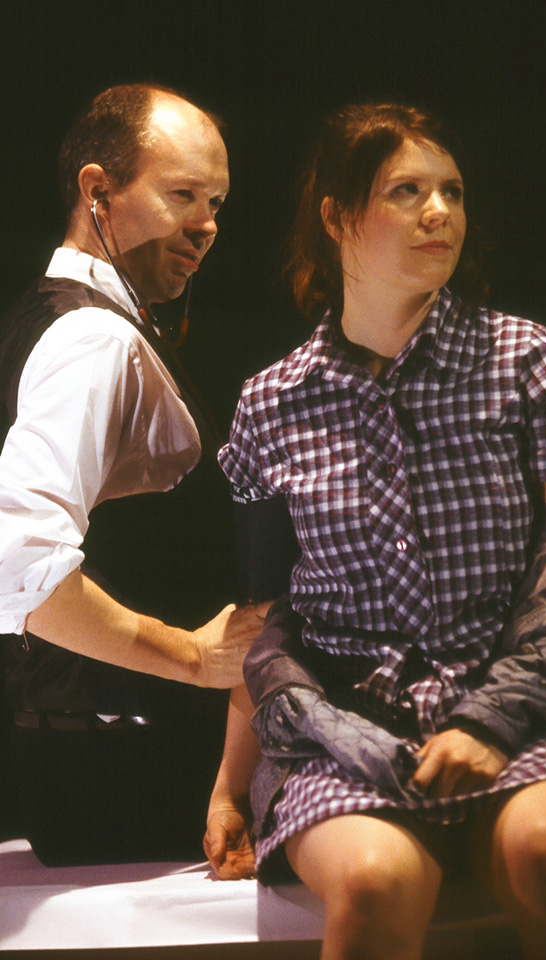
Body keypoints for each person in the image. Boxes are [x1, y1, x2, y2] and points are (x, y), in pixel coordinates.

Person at [203, 103, 546, 960]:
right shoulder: (270, 403)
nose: (439, 212)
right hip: (351, 733)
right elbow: (265, 618)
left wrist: (490, 722)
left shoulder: (529, 362)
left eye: (452, 191)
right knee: (374, 883)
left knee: (544, 852)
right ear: (337, 215)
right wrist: (227, 784)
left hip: (537, 712)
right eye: (406, 191)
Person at [0, 83, 268, 865]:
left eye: (216, 200)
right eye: (182, 194)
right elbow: (17, 563)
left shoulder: (60, 319)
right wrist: (192, 654)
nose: (207, 225)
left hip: (105, 752)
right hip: (126, 765)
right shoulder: (89, 338)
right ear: (98, 191)